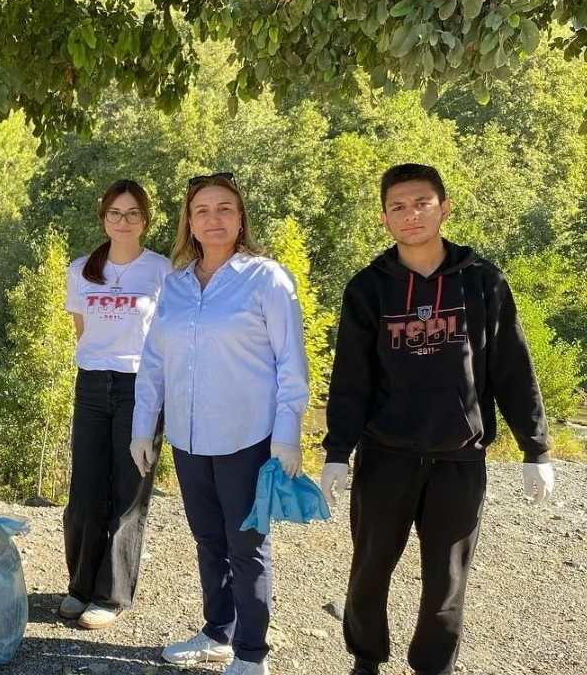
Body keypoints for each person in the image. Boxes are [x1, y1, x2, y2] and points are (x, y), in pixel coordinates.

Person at [320, 163, 556, 675]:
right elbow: (351, 378)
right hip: (386, 455)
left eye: (422, 203)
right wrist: (337, 452)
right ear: (384, 218)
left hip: (459, 456)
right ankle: (366, 659)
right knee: (369, 570)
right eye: (398, 207)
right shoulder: (369, 288)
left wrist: (535, 449)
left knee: (447, 580)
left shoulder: (483, 281)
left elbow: (513, 366)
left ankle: (433, 666)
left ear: (444, 208)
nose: (411, 215)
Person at [132, 172, 308, 675]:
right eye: (202, 210)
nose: (214, 218)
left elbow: (291, 364)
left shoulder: (266, 278)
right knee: (208, 540)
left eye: (224, 208)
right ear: (188, 221)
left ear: (240, 217)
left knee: (247, 547)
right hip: (189, 439)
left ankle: (252, 654)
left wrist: (288, 433)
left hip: (247, 438)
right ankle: (217, 633)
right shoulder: (176, 284)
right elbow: (154, 362)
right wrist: (143, 427)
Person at [60, 179, 173, 630]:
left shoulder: (162, 270)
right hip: (90, 384)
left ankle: (111, 594)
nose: (122, 221)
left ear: (145, 220)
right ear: (103, 218)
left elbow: (167, 336)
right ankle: (80, 586)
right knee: (85, 491)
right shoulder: (82, 269)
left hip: (141, 386)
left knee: (129, 491)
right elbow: (81, 330)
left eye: (132, 213)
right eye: (114, 213)